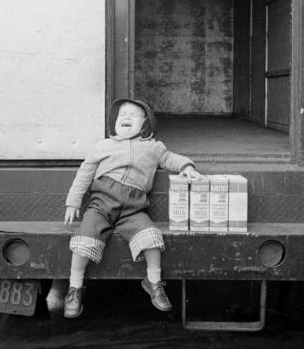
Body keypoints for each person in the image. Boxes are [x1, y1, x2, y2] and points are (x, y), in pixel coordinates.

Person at [47, 98, 201, 318]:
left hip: (133, 209)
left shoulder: (154, 147)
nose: (126, 117)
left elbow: (170, 159)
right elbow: (85, 172)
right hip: (101, 205)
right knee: (84, 241)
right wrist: (73, 201)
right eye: (122, 115)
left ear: (145, 124)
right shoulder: (103, 146)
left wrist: (186, 166)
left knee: (152, 238)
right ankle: (75, 288)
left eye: (133, 115)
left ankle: (154, 282)